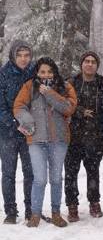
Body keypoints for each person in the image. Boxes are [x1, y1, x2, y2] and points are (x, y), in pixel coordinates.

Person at [14, 57, 77, 228]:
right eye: (42, 72)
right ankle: (35, 214)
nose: (45, 75)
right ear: (37, 72)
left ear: (55, 72)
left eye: (49, 71)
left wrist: (49, 92)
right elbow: (19, 106)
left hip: (59, 140)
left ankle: (56, 213)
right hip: (36, 140)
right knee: (40, 179)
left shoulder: (65, 86)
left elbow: (69, 108)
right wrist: (28, 122)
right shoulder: (29, 86)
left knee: (56, 178)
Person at [64, 51, 103, 222]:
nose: (89, 64)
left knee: (93, 171)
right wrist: (80, 111)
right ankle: (72, 205)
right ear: (81, 63)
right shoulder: (71, 82)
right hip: (73, 136)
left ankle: (94, 202)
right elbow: (64, 104)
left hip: (95, 136)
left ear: (97, 65)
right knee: (70, 172)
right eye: (86, 61)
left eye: (93, 62)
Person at [0, 40, 35, 224]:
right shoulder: (3, 74)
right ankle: (11, 211)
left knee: (30, 172)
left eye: (26, 55)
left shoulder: (34, 72)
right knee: (8, 172)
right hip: (7, 133)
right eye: (19, 55)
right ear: (13, 56)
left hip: (30, 132)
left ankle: (31, 209)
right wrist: (14, 124)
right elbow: (0, 106)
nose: (23, 59)